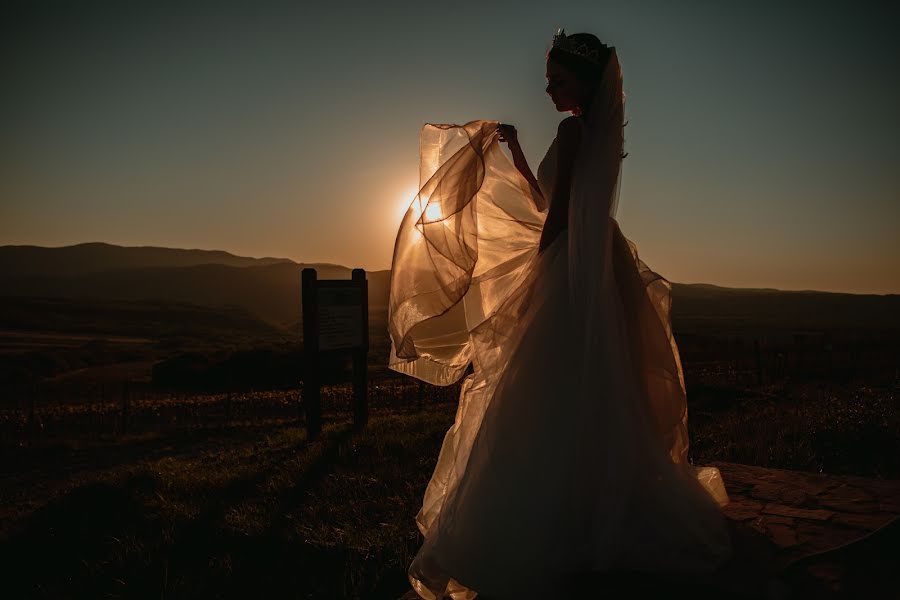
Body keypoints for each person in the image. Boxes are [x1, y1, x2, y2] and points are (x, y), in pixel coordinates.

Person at [387, 30, 735, 599]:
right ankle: (596, 512)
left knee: (540, 394)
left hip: (568, 263)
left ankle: (544, 528)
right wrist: (517, 152)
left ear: (583, 84)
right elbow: (552, 196)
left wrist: (538, 278)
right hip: (596, 259)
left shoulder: (574, 130)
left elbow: (558, 217)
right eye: (547, 80)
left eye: (558, 81)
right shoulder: (588, 131)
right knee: (590, 390)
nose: (548, 89)